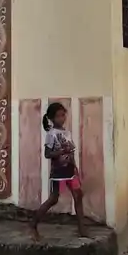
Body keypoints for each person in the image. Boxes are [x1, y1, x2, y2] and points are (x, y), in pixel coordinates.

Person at [30, 102, 88, 240]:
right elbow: (48, 154)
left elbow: (71, 152)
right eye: (59, 116)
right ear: (52, 118)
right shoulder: (51, 134)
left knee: (78, 196)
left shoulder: (66, 133)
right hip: (58, 173)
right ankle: (33, 223)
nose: (62, 118)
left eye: (63, 115)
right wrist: (62, 150)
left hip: (70, 171)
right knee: (53, 199)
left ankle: (82, 230)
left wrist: (75, 168)